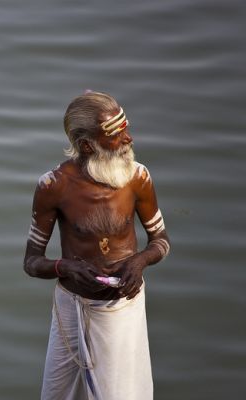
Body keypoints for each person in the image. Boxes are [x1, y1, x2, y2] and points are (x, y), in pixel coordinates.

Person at [23, 91, 170, 400]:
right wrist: (65, 267)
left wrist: (140, 261)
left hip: (122, 309)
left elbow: (161, 241)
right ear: (88, 145)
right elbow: (32, 262)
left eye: (126, 128)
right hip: (71, 305)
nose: (129, 139)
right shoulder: (53, 186)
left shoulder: (138, 178)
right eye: (117, 135)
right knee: (58, 394)